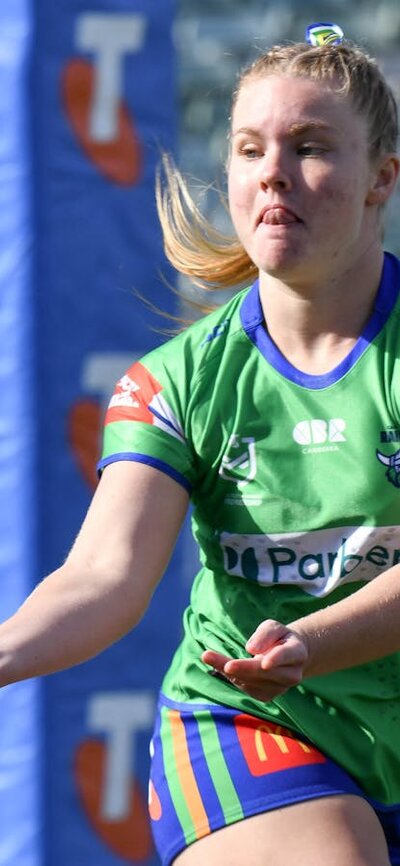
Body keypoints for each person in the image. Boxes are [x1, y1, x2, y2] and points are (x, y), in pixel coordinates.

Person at [3, 23, 400, 866]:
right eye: (250, 149)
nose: (274, 172)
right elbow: (105, 578)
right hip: (254, 724)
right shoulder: (176, 381)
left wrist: (314, 642)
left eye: (310, 146)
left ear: (382, 179)